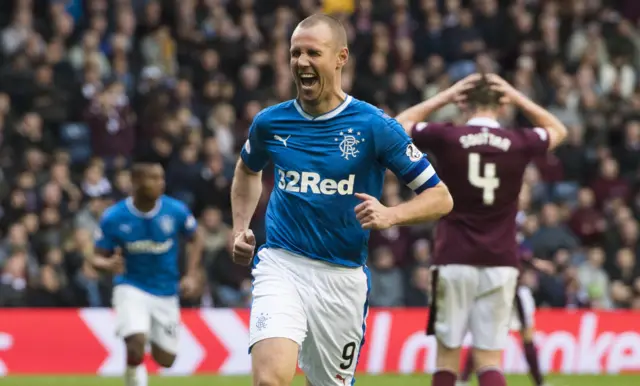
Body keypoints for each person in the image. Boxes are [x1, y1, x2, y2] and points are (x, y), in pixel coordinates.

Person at [231, 14, 453, 386]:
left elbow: (441, 197)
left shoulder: (374, 126)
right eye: (295, 53)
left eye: (313, 53)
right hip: (282, 265)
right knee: (270, 380)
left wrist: (392, 215)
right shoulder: (270, 123)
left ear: (340, 57)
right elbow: (246, 170)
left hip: (342, 280)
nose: (301, 62)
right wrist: (240, 228)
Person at [395, 73, 567, 386]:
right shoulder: (519, 141)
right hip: (501, 260)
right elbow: (559, 130)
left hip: (453, 257)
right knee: (489, 361)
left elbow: (396, 125)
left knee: (447, 357)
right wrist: (515, 95)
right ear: (501, 107)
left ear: (464, 104)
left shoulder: (448, 137)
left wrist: (444, 96)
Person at [92, 162, 203, 386]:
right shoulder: (114, 217)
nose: (160, 183)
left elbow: (197, 238)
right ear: (135, 183)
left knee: (166, 360)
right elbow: (95, 257)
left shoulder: (175, 211)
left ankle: (149, 333)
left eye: (161, 178)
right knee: (135, 342)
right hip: (131, 286)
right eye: (152, 178)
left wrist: (191, 274)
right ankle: (135, 372)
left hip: (166, 290)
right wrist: (108, 263)